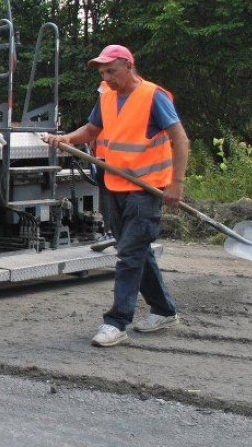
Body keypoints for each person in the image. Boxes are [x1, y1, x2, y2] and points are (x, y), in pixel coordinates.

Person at [44, 44, 189, 348]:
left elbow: (180, 138)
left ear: (128, 65)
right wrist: (66, 138)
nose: (106, 77)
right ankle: (164, 310)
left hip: (145, 189)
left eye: (111, 70)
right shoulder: (106, 96)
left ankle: (116, 321)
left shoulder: (153, 96)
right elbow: (93, 129)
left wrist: (176, 184)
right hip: (113, 185)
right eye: (102, 72)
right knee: (135, 250)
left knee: (129, 255)